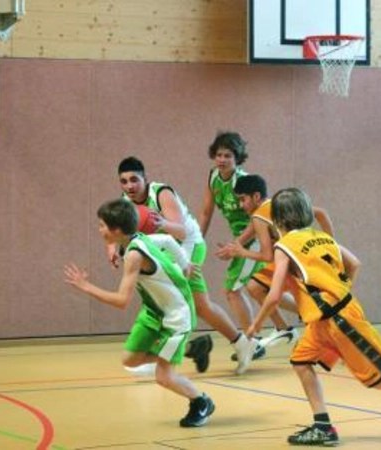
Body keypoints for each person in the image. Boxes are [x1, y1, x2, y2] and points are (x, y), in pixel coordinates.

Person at [245, 188, 381, 446]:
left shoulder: (284, 246)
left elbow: (274, 294)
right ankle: (322, 425)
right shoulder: (321, 236)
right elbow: (355, 263)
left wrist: (255, 326)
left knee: (376, 378)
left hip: (339, 320)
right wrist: (341, 288)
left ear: (277, 219)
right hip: (324, 319)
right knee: (301, 361)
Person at [64, 199, 217, 427]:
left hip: (176, 316)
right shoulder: (136, 239)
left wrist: (86, 287)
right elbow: (167, 239)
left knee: (164, 377)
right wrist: (184, 264)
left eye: (102, 225)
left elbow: (122, 301)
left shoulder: (135, 255)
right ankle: (193, 348)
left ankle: (201, 402)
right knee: (130, 359)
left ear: (116, 230)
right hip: (154, 310)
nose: (99, 229)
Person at [114, 157, 257, 375]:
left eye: (134, 180)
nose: (130, 186)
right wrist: (114, 249)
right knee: (190, 303)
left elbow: (180, 232)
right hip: (163, 248)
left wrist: (161, 223)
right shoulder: (126, 201)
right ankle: (234, 344)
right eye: (124, 182)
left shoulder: (161, 194)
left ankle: (235, 344)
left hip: (188, 244)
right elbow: (120, 231)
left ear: (145, 178)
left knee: (180, 301)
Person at [217, 174, 333, 348]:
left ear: (256, 197)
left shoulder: (258, 217)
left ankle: (308, 318)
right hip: (305, 256)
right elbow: (322, 213)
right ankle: (285, 326)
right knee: (256, 286)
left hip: (294, 259)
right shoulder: (277, 205)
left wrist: (242, 252)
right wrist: (329, 241)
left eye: (242, 200)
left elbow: (267, 256)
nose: (241, 205)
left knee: (258, 288)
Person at [199, 132, 264, 332]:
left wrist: (237, 245)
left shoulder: (243, 181)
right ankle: (311, 310)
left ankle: (252, 341)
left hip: (255, 237)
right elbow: (206, 212)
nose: (222, 159)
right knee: (262, 289)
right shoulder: (213, 177)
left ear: (237, 158)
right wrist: (197, 241)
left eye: (228, 155)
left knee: (232, 290)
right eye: (219, 155)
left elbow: (258, 220)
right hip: (242, 239)